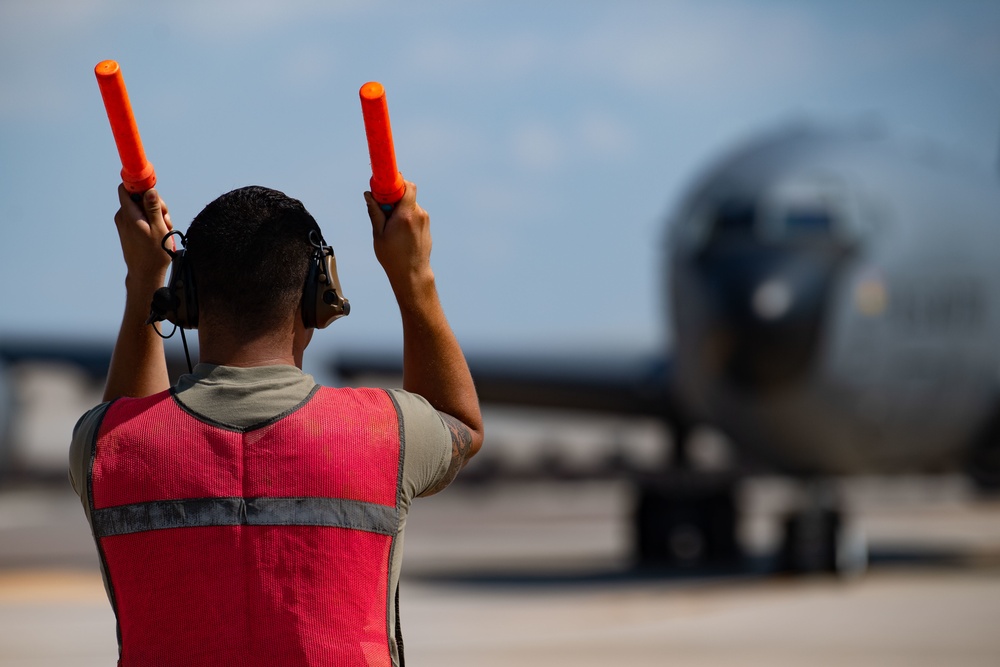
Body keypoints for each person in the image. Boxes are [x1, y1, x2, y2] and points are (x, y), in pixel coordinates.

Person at [69, 181, 484, 667]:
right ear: (318, 296)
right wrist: (414, 276)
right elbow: (458, 422)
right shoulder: (387, 430)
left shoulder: (102, 445)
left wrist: (144, 281)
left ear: (187, 301)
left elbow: (128, 425)